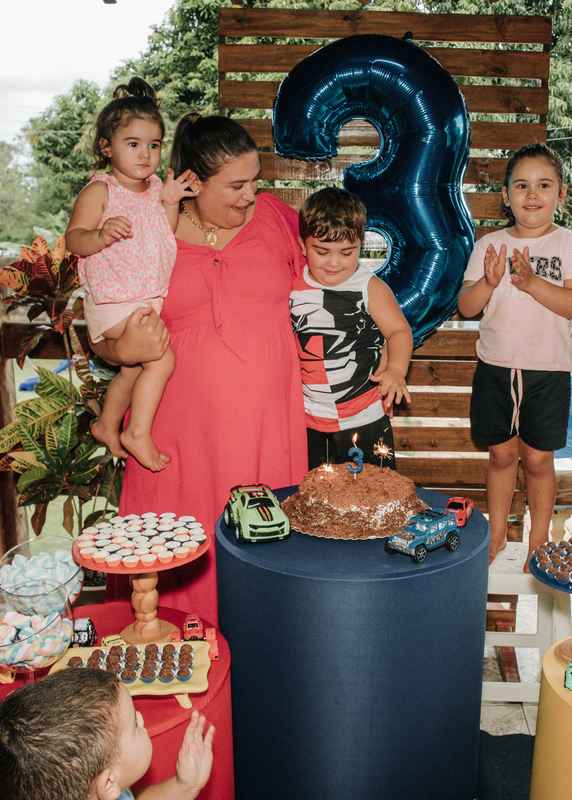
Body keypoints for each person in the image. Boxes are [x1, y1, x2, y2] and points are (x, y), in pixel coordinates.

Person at [91, 114, 307, 624]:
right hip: (176, 443)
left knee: (267, 570)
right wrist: (123, 351)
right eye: (236, 185)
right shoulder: (144, 226)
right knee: (171, 578)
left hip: (266, 436)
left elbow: (339, 278)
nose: (250, 195)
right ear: (190, 181)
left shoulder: (277, 218)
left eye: (255, 182)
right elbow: (104, 329)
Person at [457, 143, 572, 569]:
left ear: (561, 193)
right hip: (496, 367)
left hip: (549, 371)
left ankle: (539, 537)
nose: (532, 194)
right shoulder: (489, 245)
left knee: (537, 458)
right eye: (522, 185)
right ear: (506, 195)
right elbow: (466, 306)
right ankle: (497, 530)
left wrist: (531, 282)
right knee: (501, 455)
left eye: (543, 185)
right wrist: (489, 280)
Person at [66, 78, 198, 473]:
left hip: (140, 297)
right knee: (161, 359)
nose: (146, 154)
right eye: (133, 144)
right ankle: (137, 432)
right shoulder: (100, 191)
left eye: (154, 145)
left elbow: (165, 232)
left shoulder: (157, 188)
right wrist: (100, 235)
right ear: (107, 147)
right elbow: (74, 239)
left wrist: (171, 202)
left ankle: (107, 424)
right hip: (113, 299)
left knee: (134, 366)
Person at [290, 187, 412, 470]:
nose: (334, 262)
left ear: (361, 245)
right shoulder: (293, 287)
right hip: (310, 423)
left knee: (377, 500)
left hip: (365, 418)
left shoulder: (369, 287)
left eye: (347, 252)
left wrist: (395, 370)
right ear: (302, 245)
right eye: (322, 251)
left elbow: (399, 332)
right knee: (317, 504)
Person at [0, 668, 214, 800]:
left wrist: (184, 786)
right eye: (133, 725)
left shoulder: (99, 786)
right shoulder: (103, 784)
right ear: (108, 782)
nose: (141, 718)